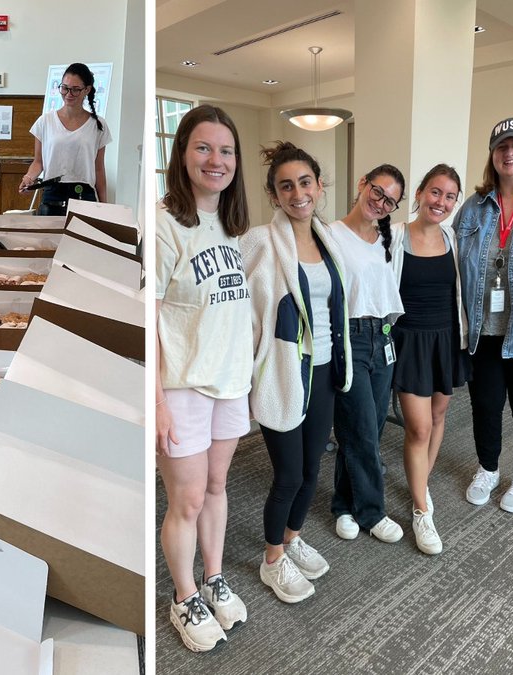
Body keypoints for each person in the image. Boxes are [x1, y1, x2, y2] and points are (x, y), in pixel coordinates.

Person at [155, 104, 252, 652]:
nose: (216, 160)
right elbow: (150, 319)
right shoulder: (168, 223)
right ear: (183, 153)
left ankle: (213, 579)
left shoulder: (232, 225)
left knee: (217, 488)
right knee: (186, 499)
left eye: (226, 150)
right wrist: (158, 404)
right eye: (204, 148)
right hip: (182, 385)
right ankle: (183, 595)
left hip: (230, 381)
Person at [241, 142, 350, 603]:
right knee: (287, 475)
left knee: (310, 470)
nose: (298, 192)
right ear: (274, 195)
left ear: (319, 186)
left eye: (305, 182)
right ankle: (272, 561)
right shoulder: (260, 242)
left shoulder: (328, 238)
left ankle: (291, 538)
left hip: (324, 371)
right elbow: (242, 314)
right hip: (283, 373)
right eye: (286, 185)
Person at [457, 117, 513, 513]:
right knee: (485, 405)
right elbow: (450, 257)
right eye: (501, 147)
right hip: (483, 330)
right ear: (492, 155)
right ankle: (488, 469)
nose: (510, 153)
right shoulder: (473, 208)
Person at [390, 164, 468, 553]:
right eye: (435, 192)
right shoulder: (396, 236)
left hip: (447, 339)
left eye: (450, 196)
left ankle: (421, 483)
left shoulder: (452, 238)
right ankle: (422, 511)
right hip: (410, 341)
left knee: (438, 417)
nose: (441, 202)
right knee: (418, 428)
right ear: (420, 193)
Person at [328, 164, 406, 543]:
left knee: (368, 430)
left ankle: (343, 505)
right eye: (378, 192)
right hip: (351, 338)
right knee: (358, 425)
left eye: (390, 200)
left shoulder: (385, 240)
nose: (381, 202)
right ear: (362, 184)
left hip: (383, 336)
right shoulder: (330, 235)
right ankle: (373, 512)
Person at [20, 63, 111, 215]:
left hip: (85, 195)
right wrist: (29, 178)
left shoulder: (98, 125)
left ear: (87, 90)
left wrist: (104, 207)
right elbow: (38, 161)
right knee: (50, 238)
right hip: (52, 194)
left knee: (82, 239)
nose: (69, 94)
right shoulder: (45, 121)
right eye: (65, 88)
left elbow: (99, 169)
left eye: (75, 90)